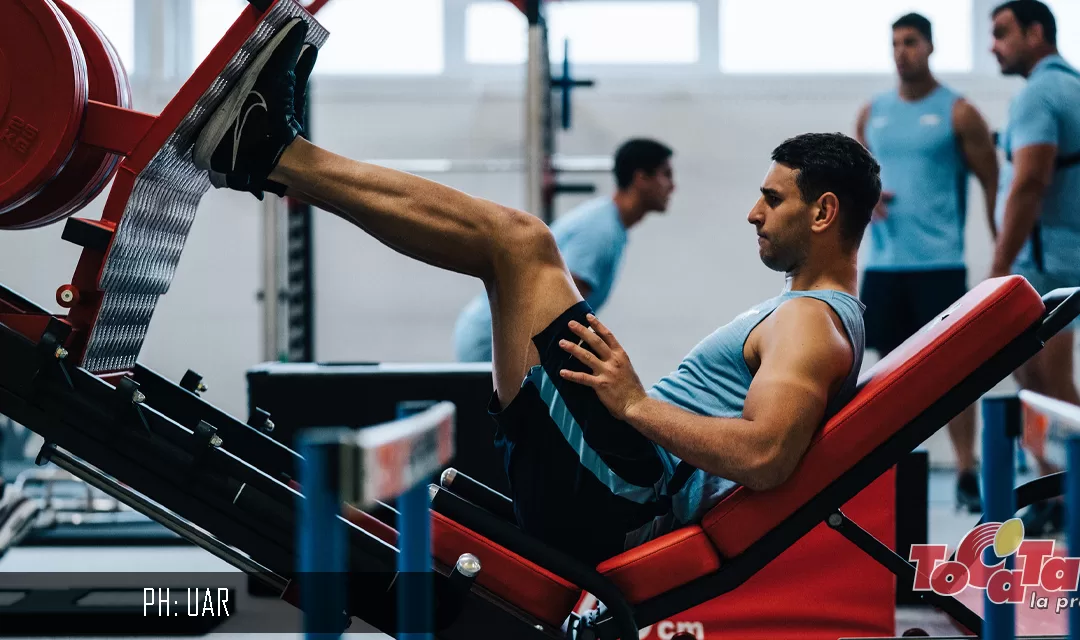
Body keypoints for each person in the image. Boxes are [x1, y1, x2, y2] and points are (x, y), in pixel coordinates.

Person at [192, 18, 879, 565]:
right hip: (620, 477)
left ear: (822, 213)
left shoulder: (811, 324)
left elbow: (766, 457)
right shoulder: (811, 316)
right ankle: (271, 156)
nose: (754, 213)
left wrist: (635, 403)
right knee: (512, 248)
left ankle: (270, 151)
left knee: (519, 243)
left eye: (773, 199)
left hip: (625, 496)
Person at [854, 12, 1000, 513]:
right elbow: (857, 179)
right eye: (895, 42)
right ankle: (891, 468)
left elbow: (992, 179)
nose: (902, 52)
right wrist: (867, 197)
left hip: (940, 264)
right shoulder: (872, 113)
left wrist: (1002, 244)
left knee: (956, 373)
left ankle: (964, 468)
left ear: (931, 47)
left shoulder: (958, 111)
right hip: (886, 266)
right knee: (888, 373)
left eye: (911, 42)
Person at [453, 139, 674, 362]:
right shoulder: (600, 231)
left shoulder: (609, 223)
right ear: (641, 179)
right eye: (666, 175)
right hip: (492, 341)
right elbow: (560, 314)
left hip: (499, 336)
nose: (672, 186)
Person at [989, 0, 1080, 534]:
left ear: (1035, 31)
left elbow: (1029, 184)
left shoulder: (1039, 94)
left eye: (1002, 32)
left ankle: (1060, 491)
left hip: (1041, 267)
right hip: (1062, 259)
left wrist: (1000, 271)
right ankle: (1057, 491)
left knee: (1045, 388)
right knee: (1047, 386)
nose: (993, 45)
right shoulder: (1071, 86)